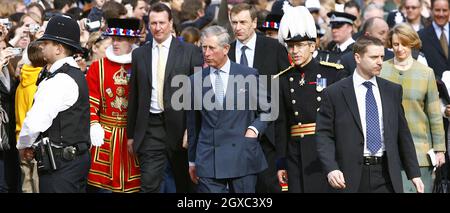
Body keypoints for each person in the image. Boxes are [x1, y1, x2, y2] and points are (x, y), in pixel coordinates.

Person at [315, 35, 424, 193]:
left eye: (381, 56)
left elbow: (403, 133)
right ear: (357, 58)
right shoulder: (334, 93)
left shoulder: (392, 90)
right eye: (374, 57)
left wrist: (414, 173)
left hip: (386, 175)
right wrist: (331, 168)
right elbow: (324, 135)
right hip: (349, 176)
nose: (380, 61)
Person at [127, 3, 203, 193]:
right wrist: (130, 135)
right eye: (153, 23)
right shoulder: (139, 54)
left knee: (186, 184)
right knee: (149, 185)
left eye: (162, 23)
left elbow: (198, 94)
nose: (157, 28)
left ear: (171, 23)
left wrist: (193, 128)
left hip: (182, 128)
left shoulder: (190, 52)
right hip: (151, 127)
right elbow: (134, 96)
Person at [187, 25, 269, 193]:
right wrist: (192, 161)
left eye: (211, 48)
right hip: (209, 159)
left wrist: (254, 129)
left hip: (242, 155)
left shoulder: (248, 74)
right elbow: (193, 125)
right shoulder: (194, 80)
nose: (206, 53)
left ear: (226, 49)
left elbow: (267, 109)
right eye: (204, 47)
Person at [16, 15, 91, 193]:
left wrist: (23, 145)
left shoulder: (60, 79)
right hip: (72, 163)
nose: (41, 45)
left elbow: (35, 122)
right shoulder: (73, 73)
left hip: (61, 166)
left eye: (47, 42)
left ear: (58, 48)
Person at [274, 5, 340, 193]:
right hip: (295, 153)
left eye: (300, 45)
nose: (294, 51)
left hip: (324, 150)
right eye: (291, 46)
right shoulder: (283, 79)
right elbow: (282, 124)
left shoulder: (332, 73)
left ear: (312, 46)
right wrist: (281, 162)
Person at [228, 3, 290, 193]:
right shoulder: (226, 52)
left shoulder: (273, 48)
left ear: (254, 22)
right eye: (234, 22)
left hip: (269, 135)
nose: (238, 27)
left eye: (243, 22)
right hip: (235, 136)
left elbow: (285, 89)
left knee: (269, 189)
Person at [380, 23, 446, 193]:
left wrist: (440, 149)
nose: (400, 48)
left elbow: (434, 114)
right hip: (387, 150)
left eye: (404, 43)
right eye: (395, 44)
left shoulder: (426, 73)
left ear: (413, 43)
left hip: (419, 152)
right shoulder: (381, 70)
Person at [86, 18, 141, 193]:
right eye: (113, 38)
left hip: (132, 137)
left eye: (120, 39)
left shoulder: (141, 64)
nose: (115, 42)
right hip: (105, 136)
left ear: (132, 41)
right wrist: (94, 124)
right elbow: (90, 101)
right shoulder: (97, 67)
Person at [15, 41, 46, 193]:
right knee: (37, 184)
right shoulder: (39, 84)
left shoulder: (22, 80)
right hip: (33, 142)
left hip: (20, 138)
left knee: (27, 184)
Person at [418, 0, 450, 80]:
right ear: (431, 10)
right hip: (434, 88)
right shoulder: (421, 36)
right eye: (437, 10)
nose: (441, 14)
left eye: (445, 10)